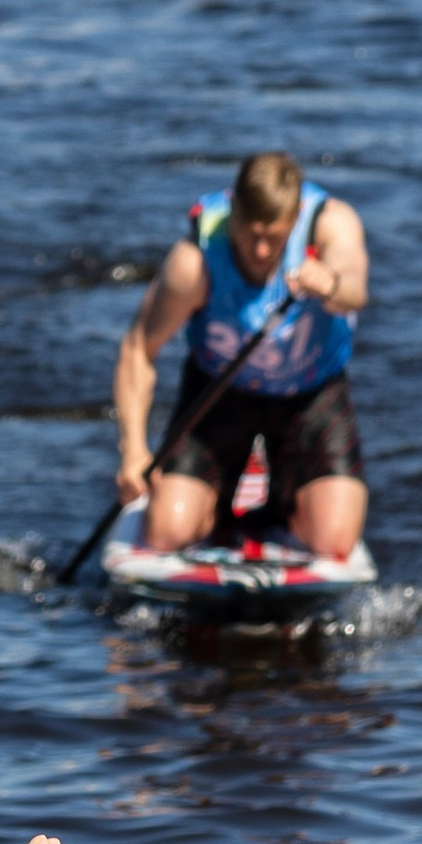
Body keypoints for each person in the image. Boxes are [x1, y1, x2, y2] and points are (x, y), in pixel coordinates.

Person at [111, 145, 370, 560]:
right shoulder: (194, 262)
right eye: (251, 234)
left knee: (333, 542)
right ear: (233, 214)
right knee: (165, 533)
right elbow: (139, 347)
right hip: (219, 391)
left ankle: (286, 505)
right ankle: (214, 508)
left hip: (311, 394)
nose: (262, 251)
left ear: (296, 218)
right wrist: (134, 450)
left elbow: (355, 288)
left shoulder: (331, 223)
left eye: (275, 237)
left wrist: (331, 283)